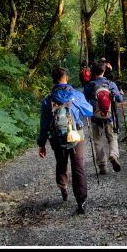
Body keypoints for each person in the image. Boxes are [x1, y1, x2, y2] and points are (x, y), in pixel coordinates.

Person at [37, 67, 93, 214]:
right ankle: (81, 201)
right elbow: (89, 111)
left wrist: (41, 144)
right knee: (78, 166)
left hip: (56, 136)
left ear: (53, 80)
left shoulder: (47, 100)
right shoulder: (76, 95)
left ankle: (63, 187)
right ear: (66, 78)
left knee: (61, 163)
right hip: (77, 134)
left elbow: (44, 124)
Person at [82, 62, 124, 174]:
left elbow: (85, 101)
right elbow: (119, 99)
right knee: (112, 137)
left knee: (98, 141)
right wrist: (121, 94)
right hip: (110, 116)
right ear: (104, 71)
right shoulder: (111, 84)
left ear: (93, 72)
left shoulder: (89, 86)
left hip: (95, 117)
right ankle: (113, 155)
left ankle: (102, 167)